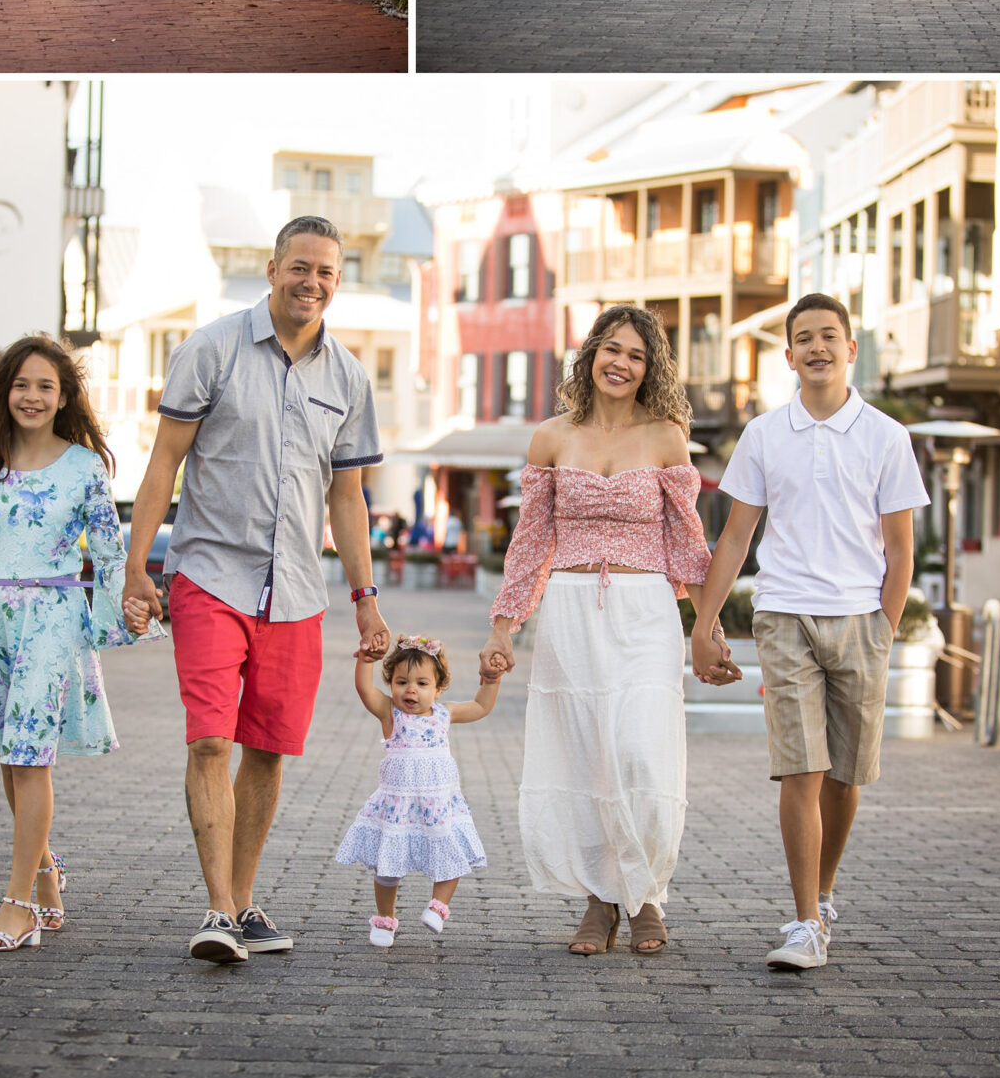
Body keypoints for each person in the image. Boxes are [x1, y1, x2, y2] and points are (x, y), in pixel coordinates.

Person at [121, 215, 391, 965]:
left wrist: (366, 597)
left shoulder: (348, 377)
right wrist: (137, 566)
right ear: (272, 270)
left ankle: (241, 904)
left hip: (297, 590)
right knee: (211, 738)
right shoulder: (211, 349)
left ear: (339, 281)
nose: (311, 283)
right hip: (210, 574)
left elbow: (347, 498)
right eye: (299, 267)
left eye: (326, 272)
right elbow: (163, 464)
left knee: (267, 751)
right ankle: (216, 910)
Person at [690, 294, 929, 971]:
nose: (817, 347)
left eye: (829, 336)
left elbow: (901, 550)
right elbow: (736, 537)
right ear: (789, 355)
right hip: (785, 614)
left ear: (850, 349)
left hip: (861, 620)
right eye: (803, 338)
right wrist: (705, 624)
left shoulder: (886, 436)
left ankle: (823, 896)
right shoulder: (764, 435)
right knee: (802, 768)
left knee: (845, 778)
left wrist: (883, 630)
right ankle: (804, 924)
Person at [482, 303, 728, 959]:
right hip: (570, 612)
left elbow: (689, 544)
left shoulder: (667, 437)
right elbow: (530, 543)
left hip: (646, 611)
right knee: (588, 756)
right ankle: (601, 899)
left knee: (641, 752)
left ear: (651, 369)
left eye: (636, 355)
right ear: (591, 354)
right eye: (612, 349)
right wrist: (504, 627)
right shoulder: (551, 437)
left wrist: (708, 626)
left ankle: (645, 894)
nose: (621, 363)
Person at [0, 334, 150, 954]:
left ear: (64, 397)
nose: (32, 396)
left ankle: (18, 907)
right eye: (21, 384)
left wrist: (131, 608)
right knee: (10, 758)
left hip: (51, 619)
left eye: (46, 386)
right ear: (4, 392)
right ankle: (46, 871)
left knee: (28, 756)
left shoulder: (84, 468)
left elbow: (109, 556)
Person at [336, 633, 500, 947]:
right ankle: (385, 920)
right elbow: (364, 689)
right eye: (402, 682)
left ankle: (438, 907)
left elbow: (481, 706)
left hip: (437, 805)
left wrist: (491, 680)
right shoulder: (390, 713)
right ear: (391, 684)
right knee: (387, 867)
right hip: (398, 807)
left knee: (450, 854)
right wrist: (365, 661)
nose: (411, 689)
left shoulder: (444, 714)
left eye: (422, 683)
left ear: (438, 688)